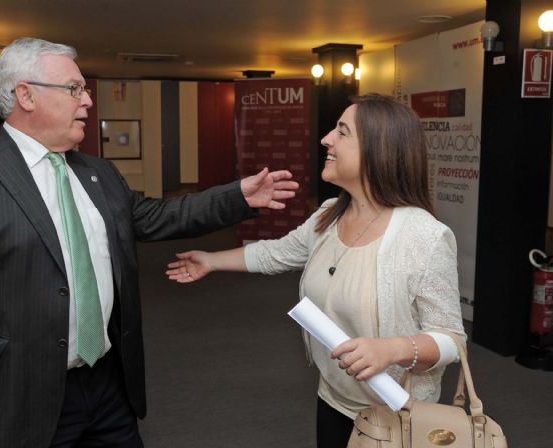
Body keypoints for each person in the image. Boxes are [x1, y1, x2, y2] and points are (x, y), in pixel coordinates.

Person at [0, 37, 299, 448]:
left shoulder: (98, 172)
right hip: (18, 394)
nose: (88, 101)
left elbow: (155, 217)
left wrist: (238, 196)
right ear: (25, 95)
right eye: (74, 89)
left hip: (108, 385)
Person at [166, 94, 466, 447]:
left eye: (342, 132)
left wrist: (393, 349)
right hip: (333, 401)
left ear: (378, 149)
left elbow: (452, 341)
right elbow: (277, 253)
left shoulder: (424, 236)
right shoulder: (329, 214)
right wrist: (212, 260)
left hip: (399, 417)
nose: (326, 139)